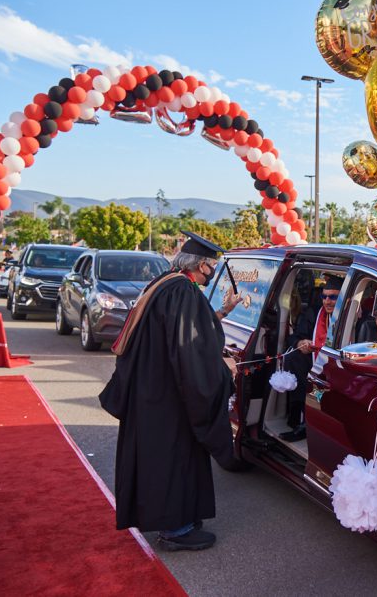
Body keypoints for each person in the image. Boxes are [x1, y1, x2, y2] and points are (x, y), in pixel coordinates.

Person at [98, 230, 242, 552]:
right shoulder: (183, 293)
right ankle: (175, 530)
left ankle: (182, 519)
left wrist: (222, 313)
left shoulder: (165, 284)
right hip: (169, 397)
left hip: (153, 390)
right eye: (212, 268)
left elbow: (189, 332)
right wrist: (221, 371)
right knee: (173, 459)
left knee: (164, 459)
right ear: (201, 266)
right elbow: (190, 353)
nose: (213, 274)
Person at [283, 274, 344, 442]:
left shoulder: (351, 317)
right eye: (324, 296)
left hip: (339, 370)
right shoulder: (315, 313)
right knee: (295, 359)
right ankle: (300, 422)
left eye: (333, 297)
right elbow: (294, 338)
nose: (327, 301)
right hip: (314, 366)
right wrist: (300, 342)